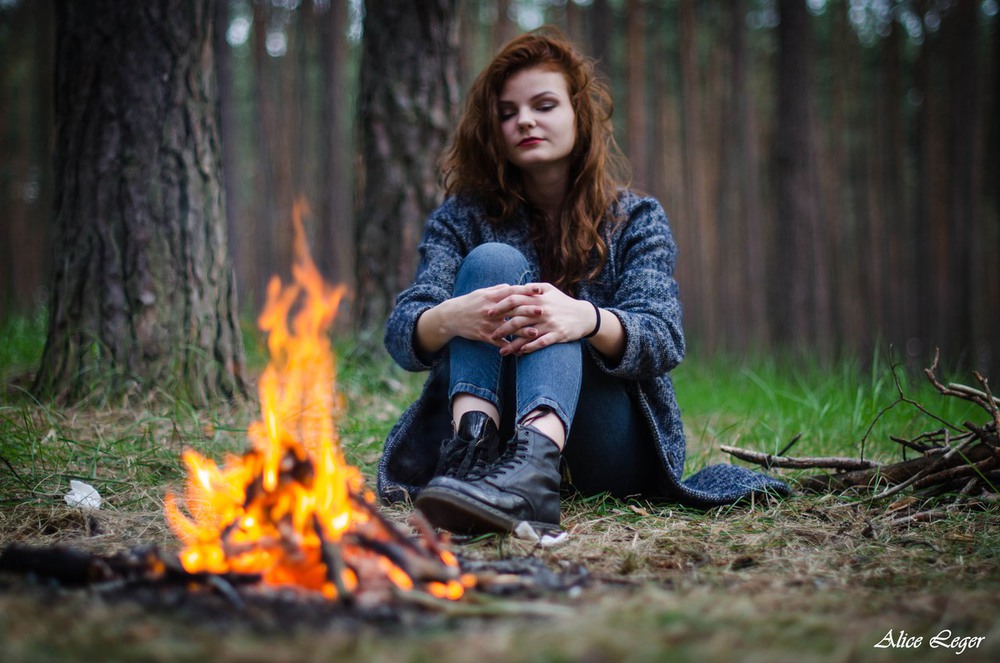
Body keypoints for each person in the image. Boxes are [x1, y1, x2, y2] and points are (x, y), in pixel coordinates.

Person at [377, 28, 788, 535]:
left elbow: (663, 336)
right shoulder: (462, 217)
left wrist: (586, 318)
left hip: (609, 442)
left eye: (543, 105)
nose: (524, 119)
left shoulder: (636, 218)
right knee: (491, 262)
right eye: (507, 113)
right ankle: (473, 456)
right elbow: (402, 333)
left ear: (579, 114)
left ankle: (533, 471)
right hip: (494, 430)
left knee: (555, 313)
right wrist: (448, 316)